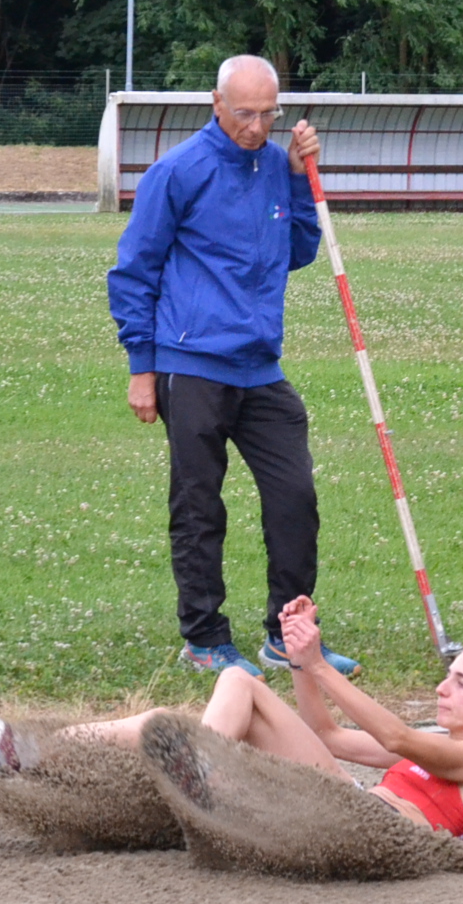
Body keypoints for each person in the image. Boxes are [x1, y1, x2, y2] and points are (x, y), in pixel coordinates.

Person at [108, 54, 359, 679]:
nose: (256, 126)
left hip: (260, 367)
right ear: (216, 104)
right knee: (199, 506)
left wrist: (300, 177)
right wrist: (142, 367)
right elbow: (133, 271)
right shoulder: (177, 172)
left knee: (295, 497)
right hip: (190, 362)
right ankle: (204, 638)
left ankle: (287, 635)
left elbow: (298, 251)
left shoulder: (275, 165)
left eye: (268, 114)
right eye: (245, 113)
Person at [0, 596, 463, 842]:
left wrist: (321, 664)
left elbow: (394, 735)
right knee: (227, 686)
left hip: (365, 826)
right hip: (346, 802)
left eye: (461, 683)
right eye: (448, 675)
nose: (443, 687)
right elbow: (328, 736)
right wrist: (301, 658)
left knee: (196, 718)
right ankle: (22, 753)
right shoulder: (440, 743)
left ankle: (194, 769)